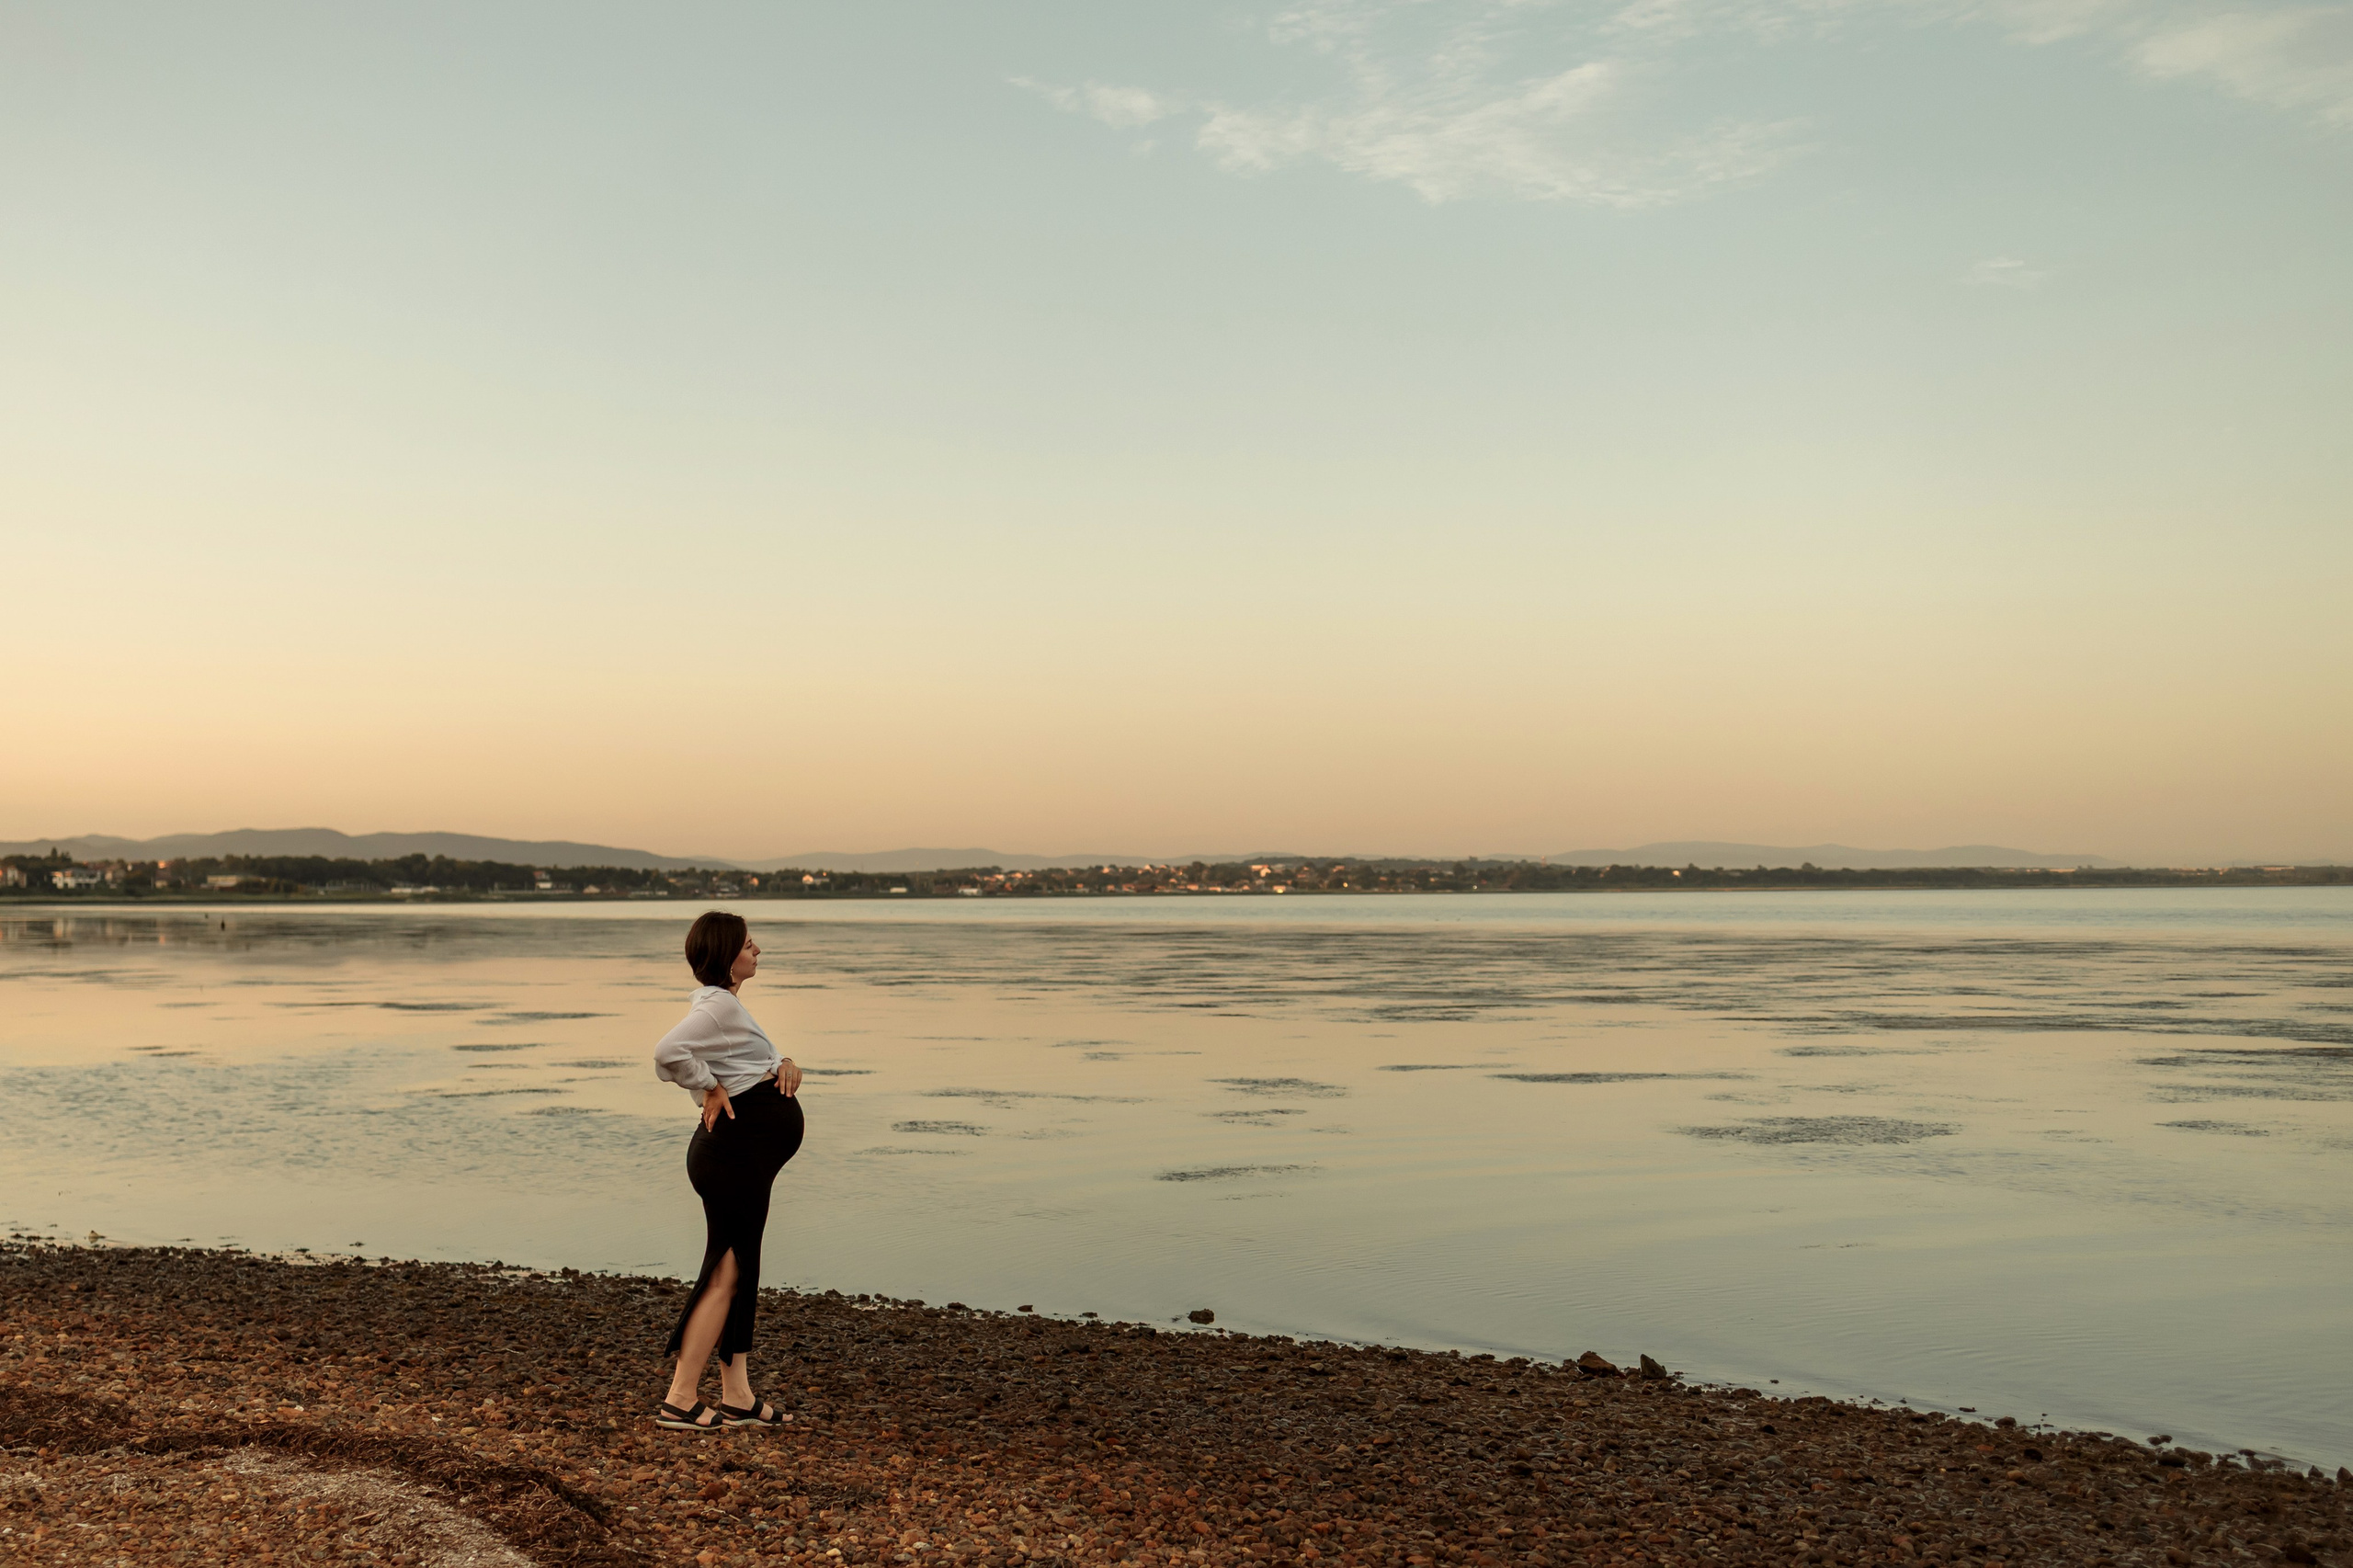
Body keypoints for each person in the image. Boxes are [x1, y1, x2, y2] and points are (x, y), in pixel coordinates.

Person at [649, 911, 805, 1431]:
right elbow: (669, 1052)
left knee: (743, 1269)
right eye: (748, 944)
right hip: (732, 1156)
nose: (757, 950)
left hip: (746, 1156)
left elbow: (747, 1052)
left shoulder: (725, 1006)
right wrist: (706, 1086)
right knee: (726, 1271)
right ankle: (680, 1397)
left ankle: (737, 1394)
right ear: (726, 956)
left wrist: (782, 1061)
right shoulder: (716, 1006)